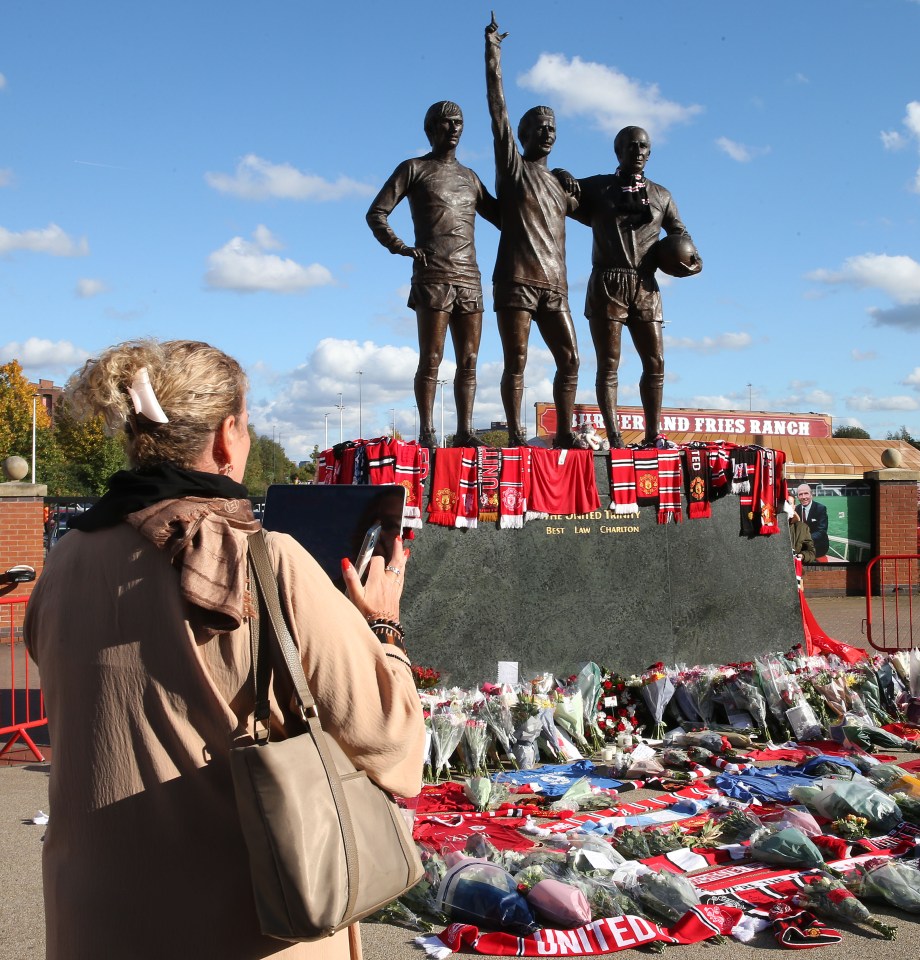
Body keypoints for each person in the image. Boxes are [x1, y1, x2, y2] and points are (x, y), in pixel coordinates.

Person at [23, 339, 425, 960]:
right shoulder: (272, 562)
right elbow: (392, 742)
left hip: (96, 922)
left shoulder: (65, 561)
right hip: (246, 926)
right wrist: (382, 627)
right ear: (227, 435)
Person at [366, 101, 499, 448]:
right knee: (433, 357)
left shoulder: (470, 177)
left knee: (470, 359)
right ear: (431, 129)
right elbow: (376, 213)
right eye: (446, 122)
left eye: (459, 123)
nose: (454, 128)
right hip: (433, 275)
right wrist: (400, 246)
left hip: (469, 277)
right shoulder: (413, 168)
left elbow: (505, 218)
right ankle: (427, 431)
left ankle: (465, 432)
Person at [558, 126, 701, 447]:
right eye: (631, 145)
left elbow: (682, 234)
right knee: (609, 364)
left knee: (656, 362)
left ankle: (653, 435)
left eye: (643, 146)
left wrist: (692, 261)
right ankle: (615, 436)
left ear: (650, 152)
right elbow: (562, 195)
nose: (638, 151)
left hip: (645, 286)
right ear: (618, 150)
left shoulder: (662, 195)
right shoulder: (599, 188)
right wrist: (561, 171)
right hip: (608, 282)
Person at [485, 14, 579, 449]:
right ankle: (517, 435)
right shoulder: (513, 167)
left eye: (553, 128)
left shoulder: (561, 182)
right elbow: (497, 108)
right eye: (539, 126)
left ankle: (563, 432)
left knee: (571, 359)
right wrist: (494, 54)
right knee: (516, 361)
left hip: (555, 284)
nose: (547, 132)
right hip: (517, 280)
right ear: (521, 134)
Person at [796, 482, 829, 561]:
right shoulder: (796, 509)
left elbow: (822, 531)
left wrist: (805, 539)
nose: (803, 497)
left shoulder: (820, 508)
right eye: (800, 494)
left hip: (818, 547)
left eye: (806, 493)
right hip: (802, 547)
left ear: (811, 494)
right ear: (797, 497)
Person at [785, 495, 816, 564]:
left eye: (789, 503)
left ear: (794, 507)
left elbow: (811, 552)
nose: (785, 507)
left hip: (792, 571)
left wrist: (802, 556)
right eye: (783, 503)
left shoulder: (802, 528)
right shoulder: (766, 527)